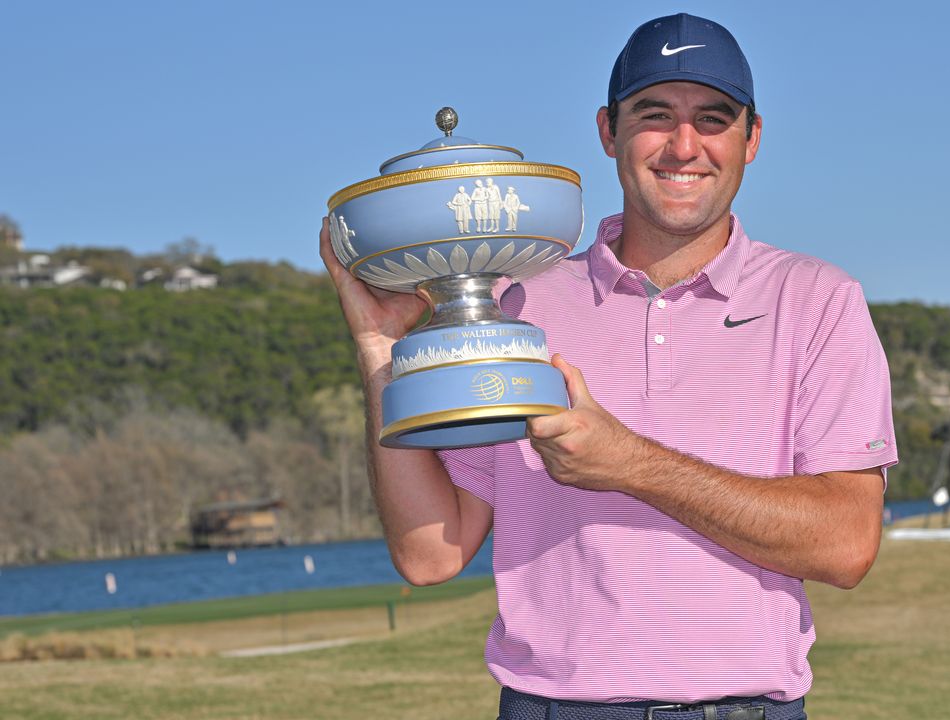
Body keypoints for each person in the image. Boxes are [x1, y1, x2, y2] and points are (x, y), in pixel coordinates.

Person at [320, 12, 896, 720]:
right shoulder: (519, 300)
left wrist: (631, 464)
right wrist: (381, 354)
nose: (685, 146)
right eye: (654, 115)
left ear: (751, 139)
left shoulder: (818, 300)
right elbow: (430, 555)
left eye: (713, 119)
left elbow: (845, 545)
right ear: (607, 130)